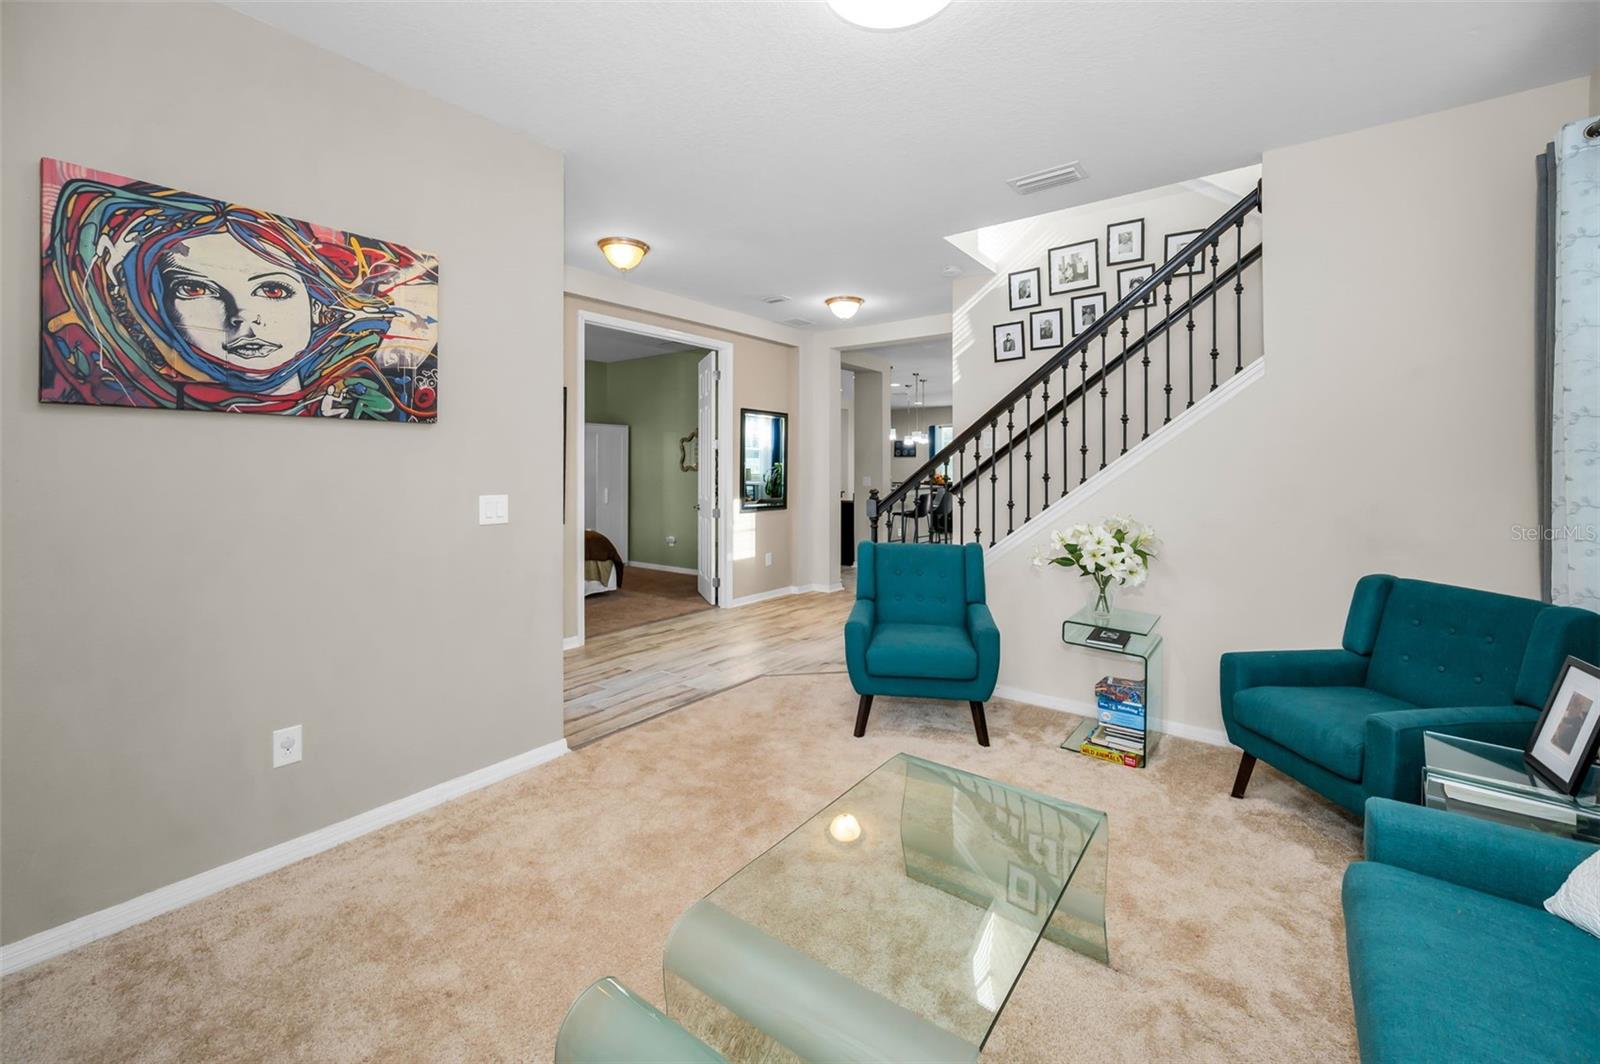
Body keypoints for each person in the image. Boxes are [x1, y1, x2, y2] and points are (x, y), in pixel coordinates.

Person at [40, 163, 438, 420]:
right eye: (195, 288)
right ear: (155, 306)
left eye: (273, 290)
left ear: (318, 305)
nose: (242, 316)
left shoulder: (363, 396)